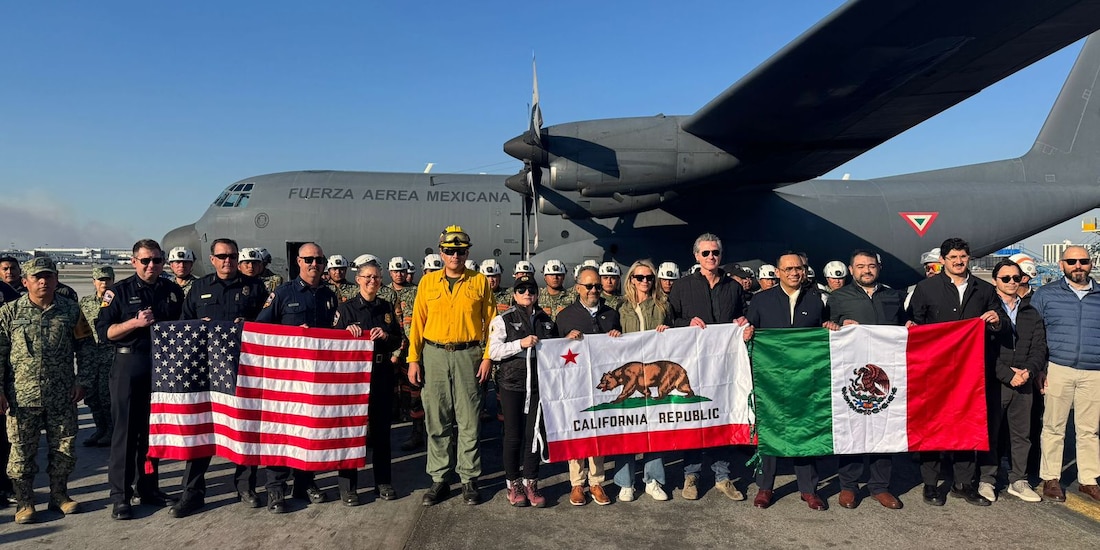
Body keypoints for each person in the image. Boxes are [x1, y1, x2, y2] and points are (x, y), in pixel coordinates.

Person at [170, 238, 267, 518]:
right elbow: (182, 324)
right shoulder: (199, 287)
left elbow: (267, 324)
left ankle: (245, 487)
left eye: (233, 256)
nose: (228, 261)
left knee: (244, 429)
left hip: (242, 370)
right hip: (205, 371)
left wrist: (250, 325)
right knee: (201, 431)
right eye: (222, 256)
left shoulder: (256, 288)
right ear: (212, 259)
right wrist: (196, 327)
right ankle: (192, 492)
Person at [908, 237, 1001, 507]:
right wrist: (912, 326)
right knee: (932, 425)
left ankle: (963, 483)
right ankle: (930, 484)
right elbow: (914, 322)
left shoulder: (984, 289)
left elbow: (1000, 322)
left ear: (969, 258)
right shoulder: (926, 288)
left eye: (963, 257)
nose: (959, 262)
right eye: (953, 258)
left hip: (970, 372)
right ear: (943, 261)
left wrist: (996, 320)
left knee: (966, 425)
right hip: (934, 371)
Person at [0, 257, 94, 524]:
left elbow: (86, 348)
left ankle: (60, 496)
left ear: (56, 279)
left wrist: (82, 381)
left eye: (49, 276)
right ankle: (24, 502)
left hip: (62, 395)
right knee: (21, 453)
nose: (43, 281)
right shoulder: (9, 313)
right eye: (37, 277)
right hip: (22, 398)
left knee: (64, 449)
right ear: (25, 281)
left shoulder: (71, 310)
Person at [407, 225, 496, 506]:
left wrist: (487, 356)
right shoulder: (428, 283)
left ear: (467, 252)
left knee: (469, 419)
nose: (454, 255)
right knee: (437, 418)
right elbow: (417, 323)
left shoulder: (479, 282)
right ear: (441, 252)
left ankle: (469, 479)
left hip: (468, 354)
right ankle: (440, 479)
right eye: (449, 251)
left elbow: (492, 323)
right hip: (433, 355)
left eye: (459, 251)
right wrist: (413, 359)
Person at [97, 239, 184, 520]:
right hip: (128, 364)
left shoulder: (171, 291)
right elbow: (104, 333)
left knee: (151, 434)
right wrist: (134, 323)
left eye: (157, 260)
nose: (151, 265)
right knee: (125, 434)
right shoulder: (117, 292)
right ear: (134, 262)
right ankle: (121, 496)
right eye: (145, 260)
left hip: (160, 368)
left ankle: (148, 488)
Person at [255, 242, 340, 513]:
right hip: (287, 377)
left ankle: (304, 483)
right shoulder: (281, 294)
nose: (314, 264)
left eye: (319, 260)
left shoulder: (329, 295)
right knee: (282, 431)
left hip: (317, 377)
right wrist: (290, 335)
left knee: (310, 430)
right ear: (298, 263)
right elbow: (260, 329)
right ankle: (276, 488)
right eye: (309, 260)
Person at [748, 251, 835, 510]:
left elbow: (823, 331)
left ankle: (808, 489)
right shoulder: (760, 300)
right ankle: (765, 487)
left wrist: (830, 328)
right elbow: (750, 331)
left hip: (807, 380)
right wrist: (747, 332)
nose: (794, 273)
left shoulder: (817, 300)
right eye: (788, 269)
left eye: (798, 268)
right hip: (770, 380)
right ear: (778, 272)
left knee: (805, 432)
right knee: (770, 432)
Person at [666, 233, 748, 501]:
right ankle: (691, 475)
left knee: (721, 417)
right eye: (706, 253)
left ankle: (723, 477)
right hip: (693, 364)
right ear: (696, 256)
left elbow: (740, 316)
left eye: (715, 253)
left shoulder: (733, 287)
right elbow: (671, 320)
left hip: (723, 365)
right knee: (693, 419)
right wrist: (686, 323)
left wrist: (743, 324)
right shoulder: (682, 286)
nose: (711, 257)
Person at [826, 250, 906, 510]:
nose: (866, 270)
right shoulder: (837, 297)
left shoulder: (894, 295)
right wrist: (833, 325)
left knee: (885, 428)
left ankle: (880, 487)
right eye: (860, 266)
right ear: (851, 270)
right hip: (851, 374)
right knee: (852, 427)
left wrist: (911, 326)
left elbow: (905, 324)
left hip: (887, 373)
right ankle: (848, 486)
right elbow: (825, 325)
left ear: (878, 268)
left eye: (871, 266)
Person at [1031, 246, 1100, 503]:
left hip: (1094, 371)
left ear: (1090, 264)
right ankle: (1050, 477)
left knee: (1089, 429)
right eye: (1072, 261)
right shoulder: (1046, 295)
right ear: (1062, 265)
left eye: (1083, 261)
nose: (1078, 265)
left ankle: (1088, 480)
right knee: (1053, 426)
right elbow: (1035, 334)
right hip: (1058, 368)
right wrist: (1039, 367)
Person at [334, 260, 402, 506]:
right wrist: (345, 334)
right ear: (359, 279)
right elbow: (332, 344)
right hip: (353, 379)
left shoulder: (385, 307)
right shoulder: (347, 309)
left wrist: (386, 335)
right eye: (367, 277)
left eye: (376, 277)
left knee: (382, 432)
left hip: (381, 373)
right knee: (352, 431)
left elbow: (398, 339)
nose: (372, 281)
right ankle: (348, 486)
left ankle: (382, 482)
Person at [980, 259, 1046, 504]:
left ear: (1022, 280)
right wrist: (1008, 374)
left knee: (1022, 433)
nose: (1011, 282)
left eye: (1015, 278)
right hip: (997, 381)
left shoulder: (1031, 312)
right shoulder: (988, 311)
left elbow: (1040, 346)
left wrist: (1028, 371)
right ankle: (987, 479)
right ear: (995, 281)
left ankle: (1018, 479)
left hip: (1024, 380)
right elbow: (984, 349)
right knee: (992, 432)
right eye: (1005, 278)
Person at [555, 266, 621, 506]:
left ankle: (596, 481)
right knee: (577, 430)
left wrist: (617, 336)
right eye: (589, 286)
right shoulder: (564, 316)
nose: (594, 290)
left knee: (597, 430)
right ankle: (576, 483)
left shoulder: (612, 314)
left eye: (597, 286)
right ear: (578, 288)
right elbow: (553, 352)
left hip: (602, 385)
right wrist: (565, 340)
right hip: (575, 384)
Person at [488, 274, 555, 508]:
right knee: (513, 434)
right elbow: (494, 351)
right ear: (514, 294)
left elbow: (556, 349)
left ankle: (531, 481)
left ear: (537, 293)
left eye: (531, 289)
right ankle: (513, 483)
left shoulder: (546, 320)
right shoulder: (503, 319)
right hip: (512, 384)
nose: (527, 293)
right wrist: (520, 343)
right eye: (522, 289)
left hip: (538, 386)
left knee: (534, 435)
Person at [612, 260, 672, 503]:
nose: (645, 281)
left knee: (654, 428)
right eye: (640, 277)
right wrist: (613, 335)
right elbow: (610, 335)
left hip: (654, 373)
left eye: (649, 277)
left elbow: (677, 334)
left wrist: (669, 330)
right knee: (627, 427)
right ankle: (625, 482)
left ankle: (653, 479)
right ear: (631, 280)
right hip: (631, 374)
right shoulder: (620, 306)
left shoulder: (663, 305)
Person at [78, 265, 116, 447]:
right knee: (92, 396)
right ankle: (100, 428)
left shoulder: (117, 300)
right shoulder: (85, 303)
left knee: (106, 395)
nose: (104, 283)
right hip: (90, 356)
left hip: (110, 355)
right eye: (100, 280)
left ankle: (111, 431)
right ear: (94, 282)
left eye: (107, 279)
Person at [390, 257, 425, 450]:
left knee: (418, 393)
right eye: (396, 272)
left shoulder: (417, 291)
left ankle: (421, 433)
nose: (399, 274)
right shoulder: (384, 293)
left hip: (415, 349)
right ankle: (414, 432)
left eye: (402, 271)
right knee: (404, 394)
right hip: (395, 351)